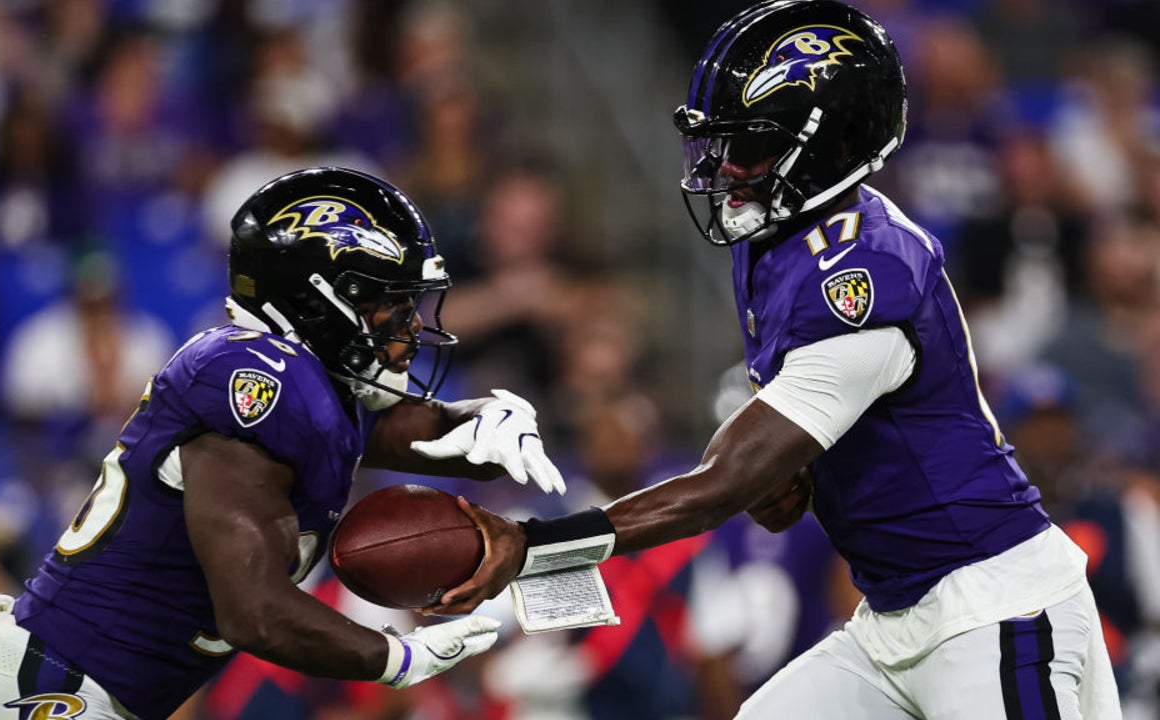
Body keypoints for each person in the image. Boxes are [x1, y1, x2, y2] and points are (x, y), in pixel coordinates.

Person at [428, 2, 1123, 718]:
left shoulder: (866, 271)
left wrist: (533, 546)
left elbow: (722, 486)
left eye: (750, 144)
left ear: (833, 145)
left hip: (991, 606)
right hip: (894, 617)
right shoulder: (776, 241)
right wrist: (792, 473)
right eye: (722, 142)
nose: (726, 166)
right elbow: (776, 490)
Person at [0, 166, 567, 720]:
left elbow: (416, 432)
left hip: (80, 689)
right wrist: (395, 656)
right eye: (388, 304)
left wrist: (486, 418)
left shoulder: (313, 390)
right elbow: (252, 612)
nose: (408, 327)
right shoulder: (259, 380)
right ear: (319, 298)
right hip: (48, 688)